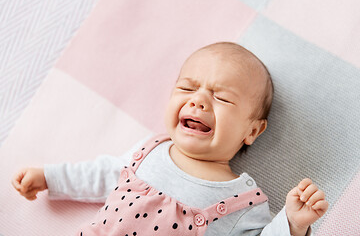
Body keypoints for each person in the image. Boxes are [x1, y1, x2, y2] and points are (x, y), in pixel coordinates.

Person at [12, 42, 328, 236]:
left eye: (221, 97)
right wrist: (50, 177)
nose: (198, 101)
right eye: (188, 89)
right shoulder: (149, 151)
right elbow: (103, 174)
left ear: (252, 131)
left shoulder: (242, 202)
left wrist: (292, 224)